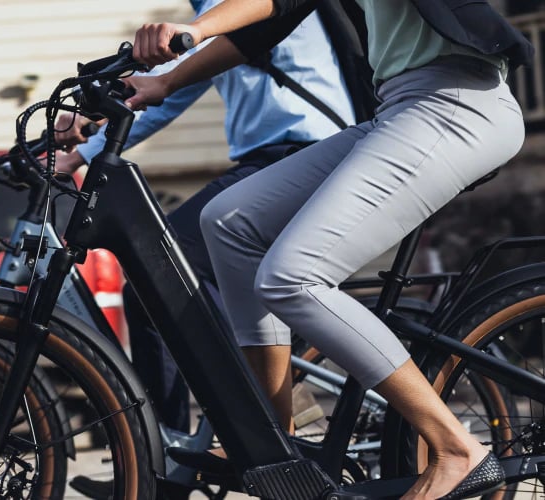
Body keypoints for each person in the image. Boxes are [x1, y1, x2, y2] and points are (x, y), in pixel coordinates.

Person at [127, 1, 532, 499]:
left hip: (457, 101)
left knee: (290, 277)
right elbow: (270, 22)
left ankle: (456, 450)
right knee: (229, 221)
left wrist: (195, 27)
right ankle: (272, 439)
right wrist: (166, 81)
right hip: (398, 110)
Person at [55, 0, 369, 436]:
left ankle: (176, 447)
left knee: (163, 271)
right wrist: (80, 151)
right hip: (264, 162)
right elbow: (164, 93)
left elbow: (184, 63)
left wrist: (84, 148)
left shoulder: (239, 10)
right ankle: (177, 449)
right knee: (159, 284)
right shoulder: (207, 12)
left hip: (308, 152)